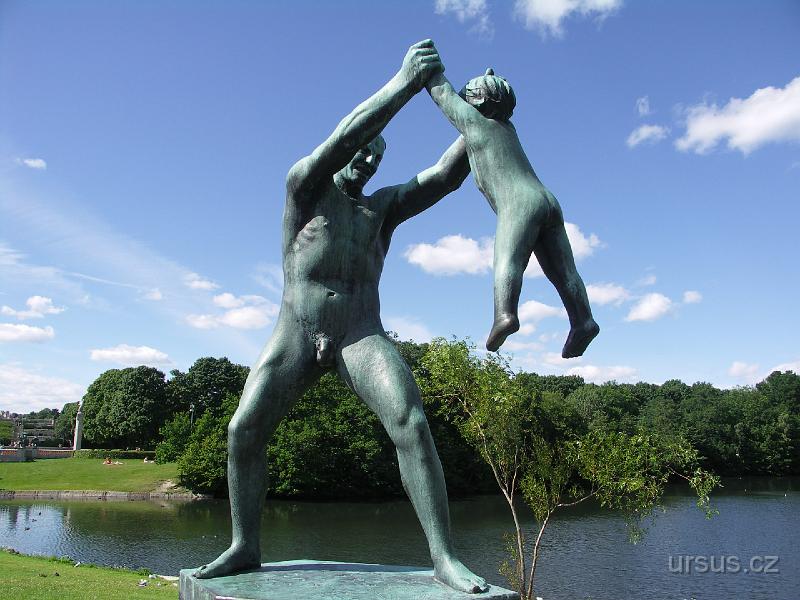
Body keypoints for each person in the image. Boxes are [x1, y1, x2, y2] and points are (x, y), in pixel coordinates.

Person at [193, 40, 487, 594]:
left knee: (411, 423)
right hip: (297, 330)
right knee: (243, 430)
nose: (368, 160)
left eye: (378, 156)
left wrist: (480, 113)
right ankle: (244, 544)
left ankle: (445, 557)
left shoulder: (381, 210)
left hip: (360, 333)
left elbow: (445, 177)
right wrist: (404, 83)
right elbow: (343, 138)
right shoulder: (304, 188)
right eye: (363, 150)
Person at [426, 66, 599, 356]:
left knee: (508, 259)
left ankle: (505, 315)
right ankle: (583, 320)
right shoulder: (507, 128)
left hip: (519, 203)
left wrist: (429, 71)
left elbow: (443, 94)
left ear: (476, 100)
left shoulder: (475, 123)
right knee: (562, 271)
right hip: (547, 200)